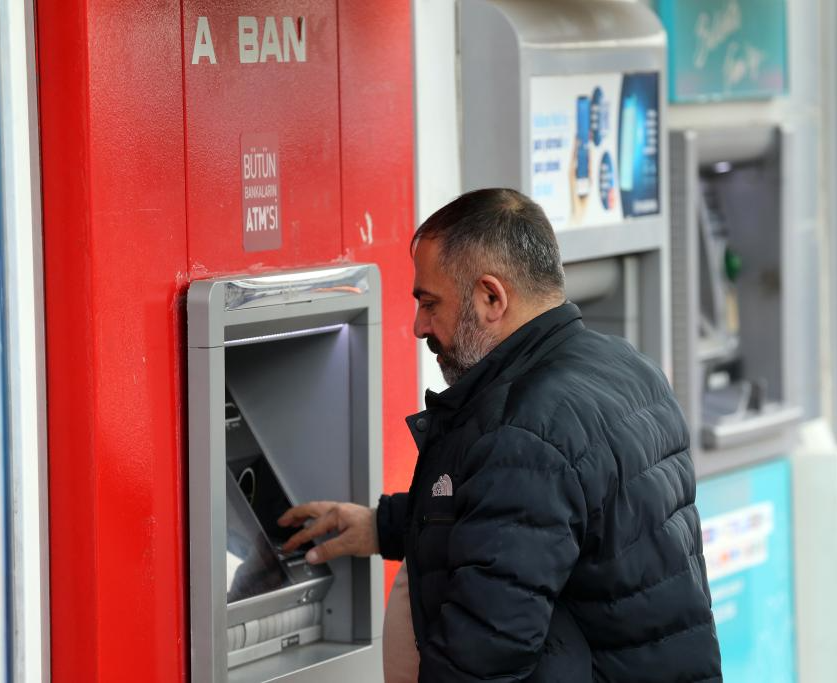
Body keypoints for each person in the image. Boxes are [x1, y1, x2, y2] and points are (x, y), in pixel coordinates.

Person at [278, 188, 722, 682]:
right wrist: (385, 526)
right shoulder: (625, 367)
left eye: (429, 303)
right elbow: (552, 522)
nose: (419, 326)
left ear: (492, 297)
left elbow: (483, 657)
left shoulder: (524, 429)